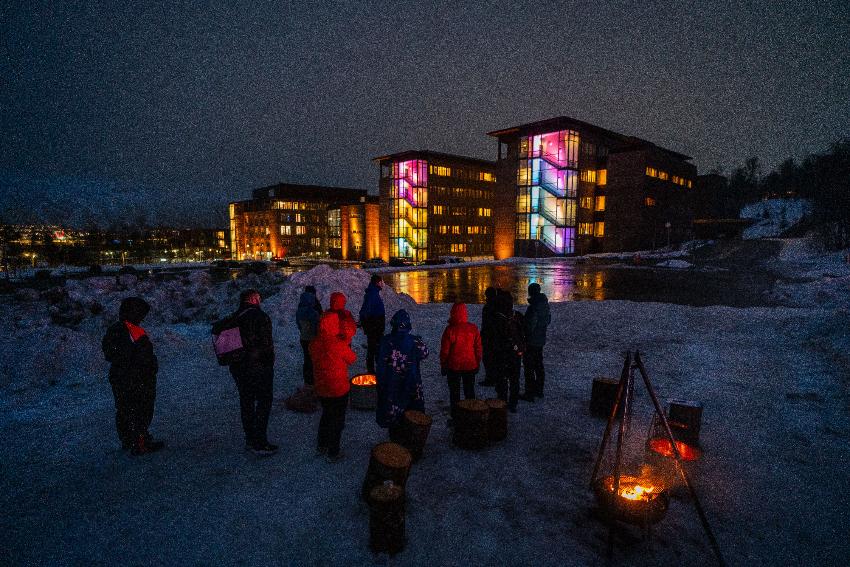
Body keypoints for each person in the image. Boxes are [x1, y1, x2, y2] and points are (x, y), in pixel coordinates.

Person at [101, 296, 163, 455]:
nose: (142, 318)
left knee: (126, 410)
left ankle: (130, 440)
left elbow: (112, 354)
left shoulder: (117, 329)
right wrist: (147, 367)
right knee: (139, 409)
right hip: (135, 378)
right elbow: (139, 355)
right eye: (141, 314)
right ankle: (139, 443)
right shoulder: (129, 330)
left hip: (123, 377)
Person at [229, 289, 277, 455]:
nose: (260, 300)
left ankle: (250, 439)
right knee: (264, 401)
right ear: (252, 299)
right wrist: (269, 363)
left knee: (246, 401)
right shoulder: (259, 316)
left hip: (238, 367)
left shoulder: (235, 316)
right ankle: (260, 442)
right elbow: (266, 344)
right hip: (258, 367)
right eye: (258, 298)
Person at [310, 308, 357, 462]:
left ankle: (321, 444)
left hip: (321, 387)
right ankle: (333, 452)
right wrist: (345, 340)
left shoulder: (314, 343)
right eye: (336, 324)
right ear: (332, 326)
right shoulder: (337, 344)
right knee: (337, 419)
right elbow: (352, 358)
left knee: (326, 414)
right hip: (338, 388)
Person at [375, 309, 429, 438]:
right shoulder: (415, 342)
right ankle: (411, 438)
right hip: (411, 383)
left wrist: (381, 383)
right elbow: (425, 353)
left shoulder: (385, 341)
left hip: (391, 384)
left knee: (394, 411)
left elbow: (379, 360)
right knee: (412, 411)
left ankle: (395, 437)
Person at [440, 302, 482, 424]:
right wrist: (477, 361)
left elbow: (445, 351)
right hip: (470, 365)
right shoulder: (473, 328)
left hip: (454, 367)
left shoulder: (450, 330)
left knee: (455, 393)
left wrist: (443, 364)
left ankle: (456, 417)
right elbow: (478, 348)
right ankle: (472, 415)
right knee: (469, 391)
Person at [493, 290, 525, 413]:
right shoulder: (517, 315)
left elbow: (494, 337)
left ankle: (502, 402)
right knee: (514, 378)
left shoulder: (497, 318)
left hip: (502, 352)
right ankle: (513, 403)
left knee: (502, 378)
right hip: (515, 352)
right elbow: (524, 331)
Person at [521, 283, 552, 401]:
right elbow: (548, 320)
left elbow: (530, 325)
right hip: (540, 339)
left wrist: (525, 334)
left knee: (529, 366)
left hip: (531, 341)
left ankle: (529, 393)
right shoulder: (545, 305)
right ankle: (539, 390)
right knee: (539, 365)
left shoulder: (533, 307)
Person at [295, 285, 322, 386]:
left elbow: (298, 324)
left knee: (307, 358)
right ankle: (314, 380)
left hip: (304, 338)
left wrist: (303, 331)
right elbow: (318, 324)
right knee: (314, 359)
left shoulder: (300, 308)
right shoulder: (314, 311)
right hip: (313, 338)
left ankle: (307, 380)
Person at [359, 275, 386, 373]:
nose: (383, 284)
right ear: (377, 282)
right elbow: (365, 311)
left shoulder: (373, 292)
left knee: (375, 347)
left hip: (375, 325)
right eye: (381, 282)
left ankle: (375, 369)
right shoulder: (372, 294)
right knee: (374, 347)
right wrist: (366, 323)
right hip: (375, 326)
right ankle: (373, 370)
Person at [479, 286, 498, 386]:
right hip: (497, 336)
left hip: (489, 336)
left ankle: (490, 378)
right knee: (494, 357)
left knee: (488, 358)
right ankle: (495, 377)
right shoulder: (499, 305)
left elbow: (486, 323)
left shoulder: (488, 307)